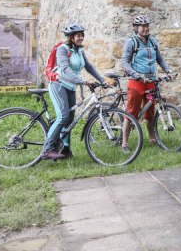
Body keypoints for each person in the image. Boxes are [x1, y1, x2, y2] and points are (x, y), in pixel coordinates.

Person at [40, 23, 107, 160]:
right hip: (58, 84)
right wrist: (82, 81)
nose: (81, 37)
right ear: (71, 37)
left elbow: (88, 66)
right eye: (78, 35)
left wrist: (102, 80)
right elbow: (65, 69)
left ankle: (65, 149)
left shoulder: (79, 50)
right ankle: (47, 149)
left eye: (82, 35)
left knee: (69, 119)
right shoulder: (62, 50)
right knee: (63, 116)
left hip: (70, 87)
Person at [120, 15, 173, 149]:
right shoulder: (131, 42)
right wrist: (136, 75)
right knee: (131, 112)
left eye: (147, 25)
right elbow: (124, 63)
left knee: (150, 111)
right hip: (137, 82)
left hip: (151, 82)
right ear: (136, 28)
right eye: (143, 26)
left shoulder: (153, 42)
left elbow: (159, 59)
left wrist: (168, 71)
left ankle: (152, 138)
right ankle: (124, 143)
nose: (146, 28)